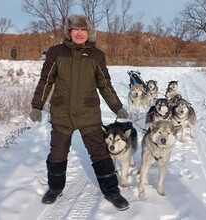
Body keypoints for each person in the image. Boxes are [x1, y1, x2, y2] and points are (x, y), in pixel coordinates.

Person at [29, 15, 130, 211]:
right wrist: (37, 106)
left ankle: (112, 191)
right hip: (62, 113)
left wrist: (116, 106)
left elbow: (104, 83)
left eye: (83, 30)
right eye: (75, 29)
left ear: (88, 33)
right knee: (57, 153)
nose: (79, 33)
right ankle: (55, 188)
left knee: (100, 153)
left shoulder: (96, 55)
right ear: (69, 32)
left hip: (88, 113)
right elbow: (46, 80)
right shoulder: (55, 52)